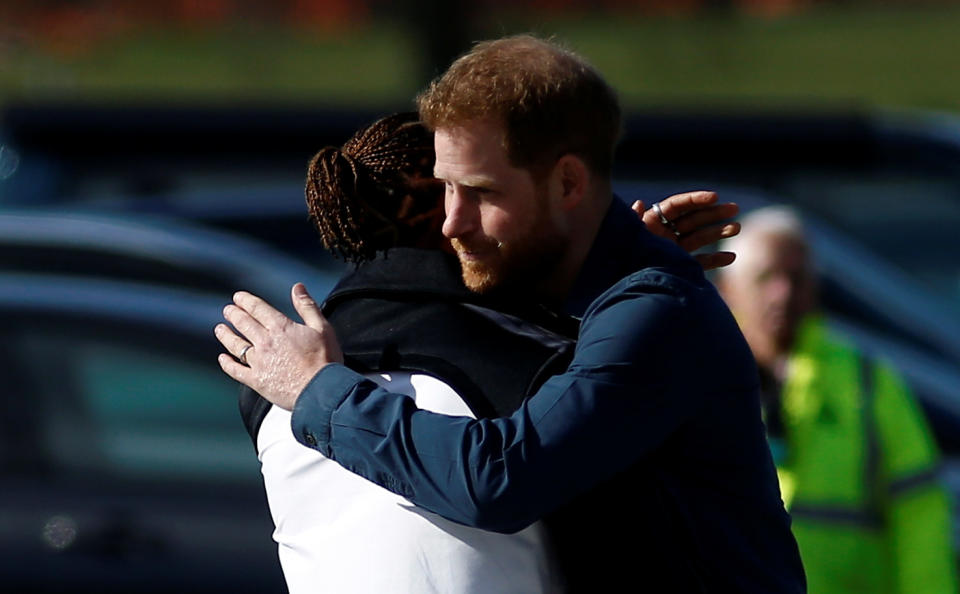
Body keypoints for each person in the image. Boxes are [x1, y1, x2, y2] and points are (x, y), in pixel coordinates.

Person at [217, 35, 806, 592]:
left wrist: (318, 390)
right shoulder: (624, 302)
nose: (452, 222)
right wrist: (621, 258)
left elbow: (499, 479)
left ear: (568, 182)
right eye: (446, 187)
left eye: (481, 192)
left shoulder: (658, 315)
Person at [715, 206, 956, 594]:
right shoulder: (700, 379)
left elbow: (920, 515)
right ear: (729, 290)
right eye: (765, 277)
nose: (783, 293)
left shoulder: (869, 384)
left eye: (795, 276)